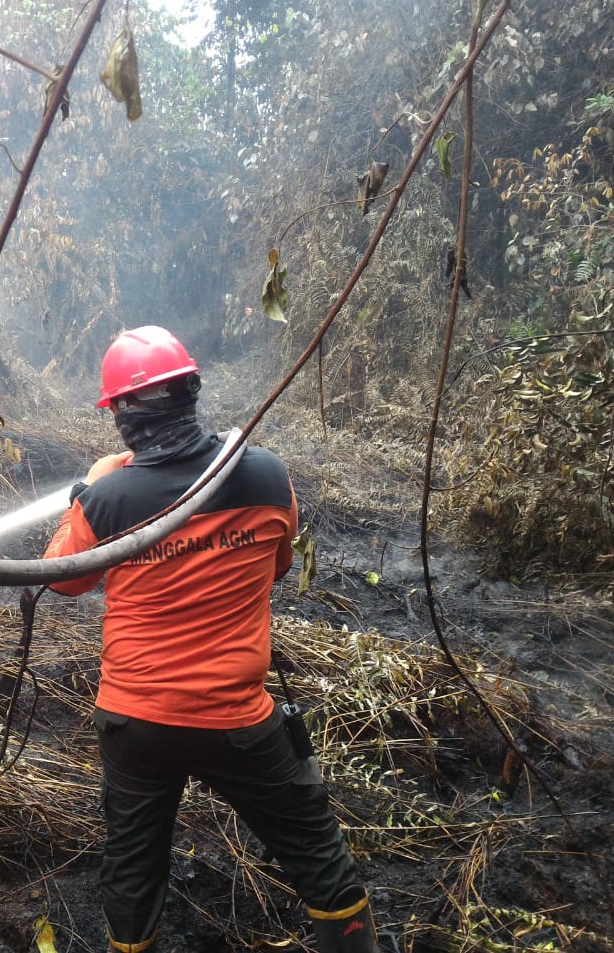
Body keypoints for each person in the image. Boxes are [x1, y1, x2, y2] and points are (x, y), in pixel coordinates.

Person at [43, 326, 377, 953]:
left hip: (135, 723)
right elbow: (277, 566)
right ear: (193, 390)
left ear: (119, 414)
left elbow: (63, 581)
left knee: (132, 867)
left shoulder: (107, 500)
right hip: (238, 723)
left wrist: (85, 493)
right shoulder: (267, 477)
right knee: (317, 854)